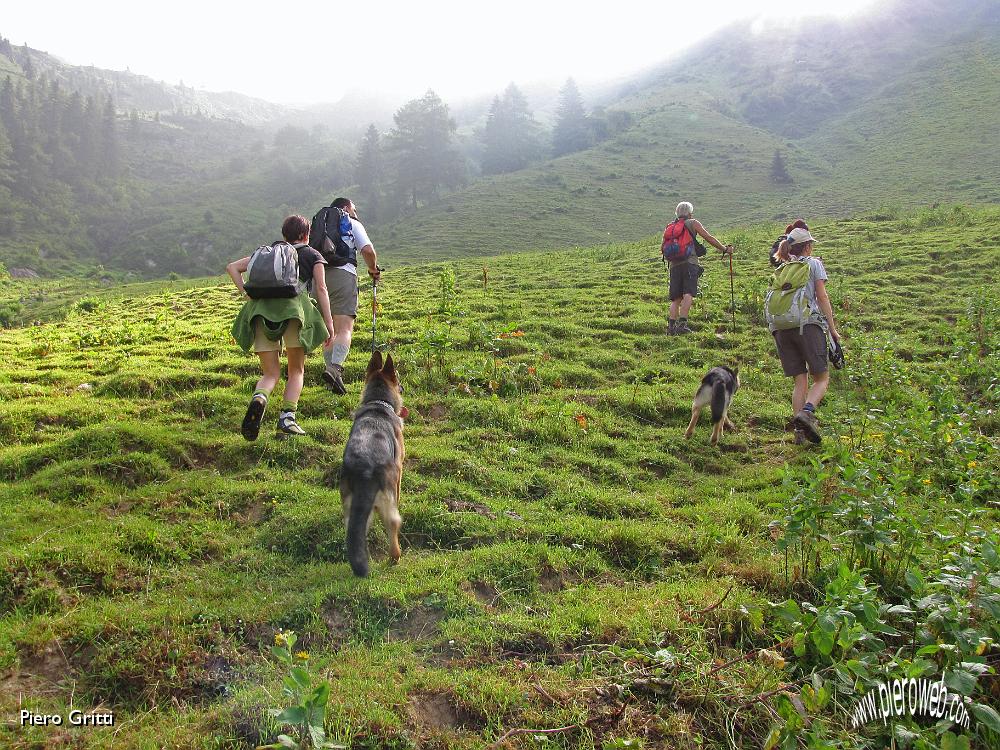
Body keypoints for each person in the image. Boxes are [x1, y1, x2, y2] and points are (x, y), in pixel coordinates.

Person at [227, 215, 334, 439]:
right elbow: (322, 290)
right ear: (307, 234)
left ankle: (260, 397)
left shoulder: (269, 254)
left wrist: (245, 294)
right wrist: (329, 323)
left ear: (284, 235)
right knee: (296, 370)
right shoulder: (312, 254)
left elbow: (232, 267)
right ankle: (287, 418)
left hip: (260, 312)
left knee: (270, 373)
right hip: (295, 313)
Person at [769, 226, 841, 444]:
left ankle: (799, 433)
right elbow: (822, 297)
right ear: (808, 246)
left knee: (800, 381)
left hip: (781, 327)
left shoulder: (783, 267)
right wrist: (832, 328)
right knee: (821, 378)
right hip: (807, 325)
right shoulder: (814, 264)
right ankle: (807, 412)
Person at [313, 197, 381, 394]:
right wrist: (373, 269)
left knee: (330, 329)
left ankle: (334, 378)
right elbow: (367, 250)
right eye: (354, 208)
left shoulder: (319, 223)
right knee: (344, 328)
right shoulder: (350, 222)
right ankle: (335, 369)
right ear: (345, 208)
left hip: (318, 278)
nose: (356, 212)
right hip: (343, 274)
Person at [665, 201, 734, 334]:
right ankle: (682, 325)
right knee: (688, 293)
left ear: (677, 213)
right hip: (690, 263)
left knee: (676, 298)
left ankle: (671, 327)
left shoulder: (670, 227)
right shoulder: (692, 223)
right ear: (690, 213)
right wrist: (724, 249)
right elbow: (708, 237)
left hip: (674, 265)